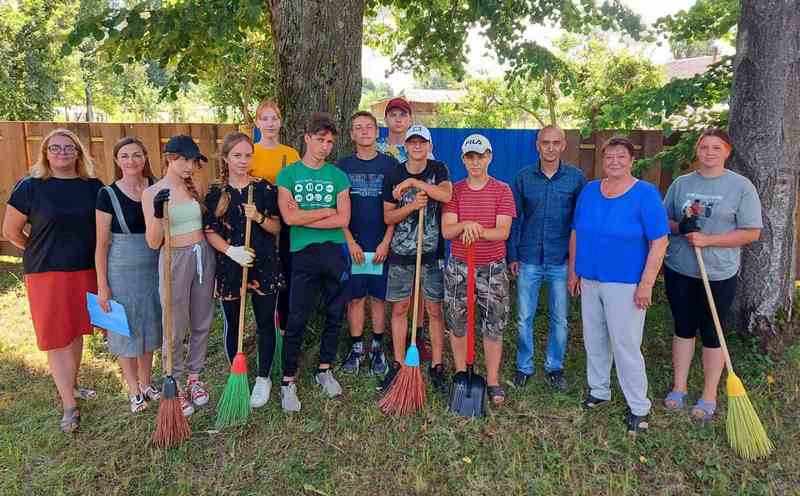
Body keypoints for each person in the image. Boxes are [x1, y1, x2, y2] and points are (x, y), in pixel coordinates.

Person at [3, 128, 104, 432]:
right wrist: (36, 248)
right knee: (56, 337)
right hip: (47, 272)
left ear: (78, 153)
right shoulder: (30, 187)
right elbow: (11, 232)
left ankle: (71, 386)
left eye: (68, 148)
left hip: (85, 270)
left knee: (75, 331)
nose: (62, 152)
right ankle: (69, 406)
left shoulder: (93, 187)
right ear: (45, 153)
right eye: (55, 148)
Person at [569, 135, 668, 436]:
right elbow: (576, 232)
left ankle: (639, 407)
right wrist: (574, 272)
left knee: (625, 345)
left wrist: (646, 284)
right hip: (591, 279)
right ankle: (599, 390)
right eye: (609, 156)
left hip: (626, 284)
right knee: (594, 338)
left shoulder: (645, 194)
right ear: (602, 160)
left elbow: (659, 241)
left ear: (631, 160)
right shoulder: (589, 191)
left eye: (620, 156)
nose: (614, 161)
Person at [662, 128, 762, 421]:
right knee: (683, 326)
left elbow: (751, 233)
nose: (708, 152)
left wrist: (709, 240)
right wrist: (682, 227)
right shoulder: (682, 184)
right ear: (697, 150)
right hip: (680, 268)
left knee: (712, 331)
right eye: (704, 147)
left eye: (715, 148)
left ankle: (708, 393)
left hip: (718, 273)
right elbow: (663, 221)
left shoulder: (740, 187)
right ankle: (679, 387)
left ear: (726, 151)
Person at [276, 112, 352, 412]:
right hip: (303, 254)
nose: (325, 146)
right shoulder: (289, 175)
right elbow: (289, 218)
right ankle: (288, 381)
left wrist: (308, 216)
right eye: (320, 140)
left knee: (335, 313)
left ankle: (324, 369)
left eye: (330, 141)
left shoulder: (338, 176)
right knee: (297, 316)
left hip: (334, 251)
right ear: (307, 138)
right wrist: (325, 210)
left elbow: (344, 218)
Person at [205, 132, 285, 408]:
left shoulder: (264, 189)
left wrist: (259, 217)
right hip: (230, 266)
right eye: (236, 155)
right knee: (233, 324)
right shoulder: (216, 192)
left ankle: (263, 378)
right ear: (226, 158)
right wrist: (231, 251)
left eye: (247, 155)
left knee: (265, 322)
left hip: (263, 264)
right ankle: (238, 374)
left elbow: (276, 228)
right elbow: (209, 232)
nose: (242, 160)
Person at [507, 125, 586, 391]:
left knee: (560, 318)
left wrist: (577, 264)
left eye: (555, 143)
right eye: (545, 143)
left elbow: (580, 223)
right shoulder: (523, 177)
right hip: (528, 257)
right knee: (524, 317)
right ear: (537, 145)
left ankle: (555, 367)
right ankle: (524, 366)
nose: (550, 148)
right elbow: (515, 218)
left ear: (563, 145)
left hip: (560, 259)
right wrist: (513, 254)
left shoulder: (575, 179)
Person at [142, 135, 215, 417]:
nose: (189, 166)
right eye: (184, 160)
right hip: (174, 258)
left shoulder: (196, 185)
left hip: (202, 255)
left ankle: (194, 379)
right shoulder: (152, 193)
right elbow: (152, 242)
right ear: (170, 158)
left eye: (193, 161)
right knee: (174, 323)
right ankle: (173, 379)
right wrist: (160, 213)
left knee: (201, 318)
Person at [443, 134, 515, 406]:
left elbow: (503, 231)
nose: (475, 162)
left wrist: (476, 229)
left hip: (492, 267)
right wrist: (464, 226)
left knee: (493, 324)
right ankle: (462, 374)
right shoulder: (456, 191)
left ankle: (493, 380)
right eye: (470, 157)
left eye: (480, 156)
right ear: (463, 159)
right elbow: (448, 230)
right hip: (460, 266)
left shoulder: (502, 190)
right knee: (457, 322)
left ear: (490, 157)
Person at [381, 124, 452, 391]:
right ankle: (399, 363)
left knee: (434, 309)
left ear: (429, 146)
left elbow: (445, 194)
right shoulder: (393, 174)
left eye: (422, 142)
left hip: (431, 255)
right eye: (413, 142)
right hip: (401, 255)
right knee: (400, 308)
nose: (418, 146)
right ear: (406, 146)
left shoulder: (438, 169)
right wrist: (411, 205)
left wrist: (413, 183)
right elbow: (388, 216)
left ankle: (436, 366)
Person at [95, 137, 162, 414]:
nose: (132, 161)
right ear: (117, 160)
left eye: (137, 155)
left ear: (145, 157)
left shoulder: (157, 187)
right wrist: (102, 285)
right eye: (125, 156)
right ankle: (133, 388)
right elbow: (101, 244)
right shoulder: (107, 195)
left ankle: (147, 383)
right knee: (125, 326)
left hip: (154, 263)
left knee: (149, 322)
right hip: (122, 266)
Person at [337, 111, 398, 376]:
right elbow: (337, 210)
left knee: (378, 298)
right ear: (351, 134)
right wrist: (349, 241)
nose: (364, 131)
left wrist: (386, 242)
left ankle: (376, 347)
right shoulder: (342, 167)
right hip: (353, 245)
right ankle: (356, 348)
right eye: (358, 127)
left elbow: (396, 210)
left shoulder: (390, 166)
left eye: (369, 127)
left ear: (377, 132)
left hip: (381, 244)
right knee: (355, 298)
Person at [376, 97, 434, 360]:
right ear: (386, 120)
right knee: (388, 287)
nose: (398, 119)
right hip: (383, 220)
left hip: (416, 231)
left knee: (417, 287)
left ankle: (417, 332)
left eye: (403, 115)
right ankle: (387, 337)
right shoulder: (378, 149)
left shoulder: (425, 152)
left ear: (410, 120)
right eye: (393, 115)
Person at [249, 99, 301, 335]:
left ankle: (285, 327)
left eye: (274, 118)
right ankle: (264, 326)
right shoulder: (250, 152)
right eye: (265, 118)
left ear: (281, 122)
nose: (270, 123)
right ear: (257, 122)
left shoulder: (290, 154)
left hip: (287, 223)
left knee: (287, 271)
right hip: (259, 222)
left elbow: (298, 189)